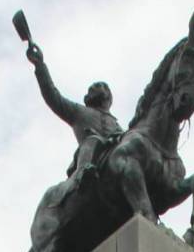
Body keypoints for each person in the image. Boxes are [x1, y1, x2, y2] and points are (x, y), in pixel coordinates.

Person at [25, 42, 123, 187]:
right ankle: (84, 173)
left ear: (108, 96)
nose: (93, 88)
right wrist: (40, 66)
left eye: (99, 86)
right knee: (92, 140)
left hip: (112, 164)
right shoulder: (79, 111)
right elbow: (53, 97)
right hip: (89, 158)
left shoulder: (116, 124)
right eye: (91, 88)